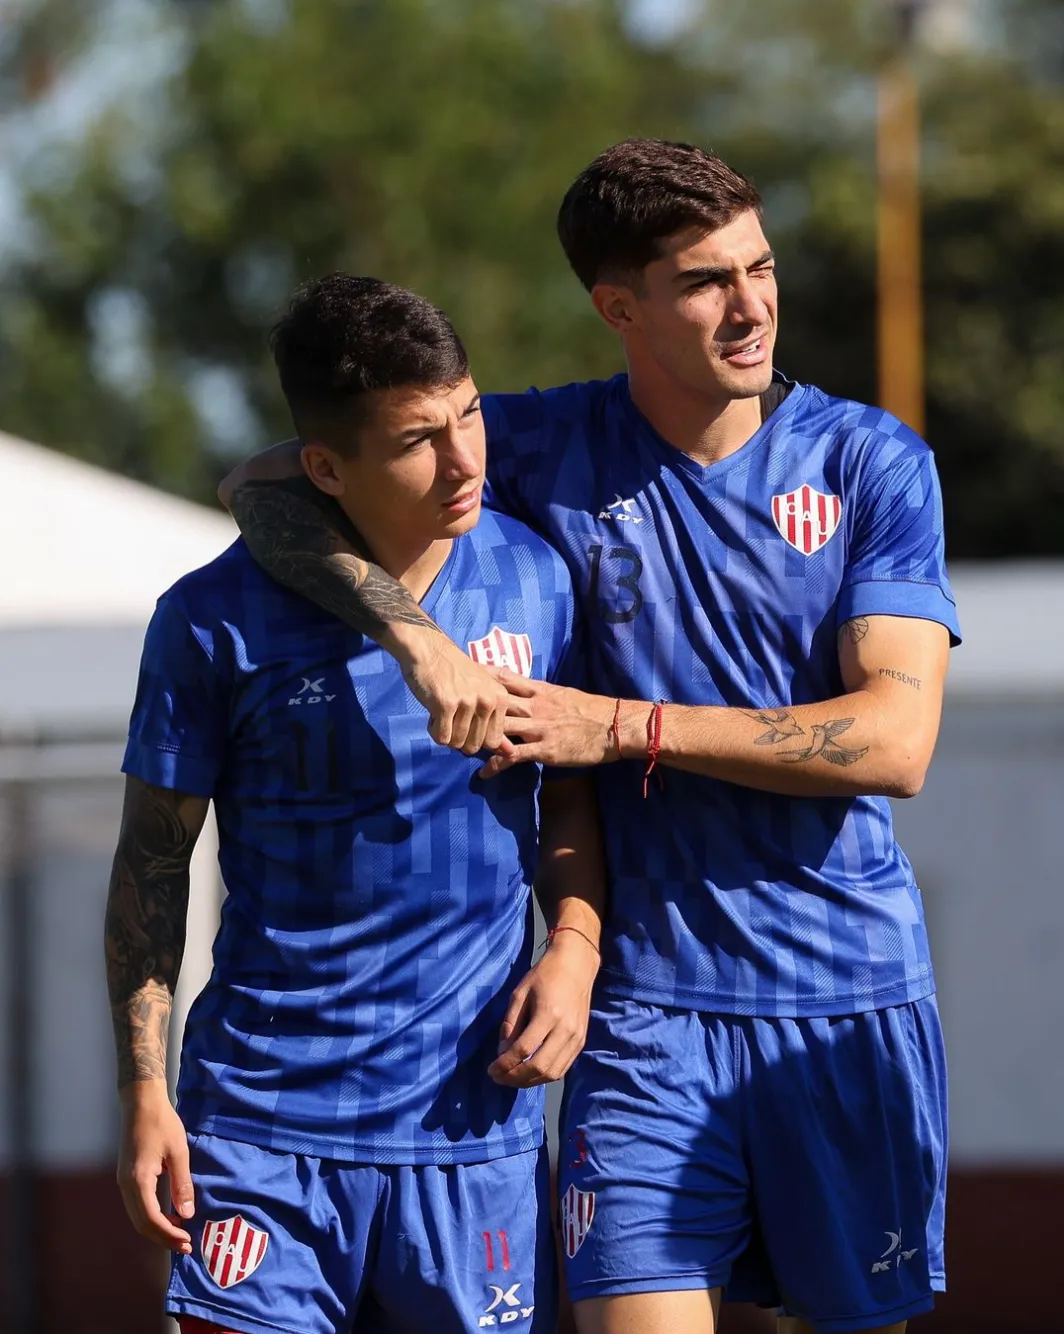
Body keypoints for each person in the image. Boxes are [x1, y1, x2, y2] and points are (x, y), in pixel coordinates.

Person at [219, 140, 960, 1334]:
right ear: (619, 308)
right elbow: (265, 485)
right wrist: (416, 639)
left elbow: (895, 741)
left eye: (760, 267)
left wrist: (615, 726)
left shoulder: (871, 461)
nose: (752, 305)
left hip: (846, 991)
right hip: (644, 1013)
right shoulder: (537, 445)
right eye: (705, 280)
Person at [104, 273, 604, 1334]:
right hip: (261, 1128)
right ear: (325, 467)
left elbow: (572, 808)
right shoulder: (209, 618)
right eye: (420, 438)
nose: (465, 460)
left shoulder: (540, 579)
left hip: (472, 1131)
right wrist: (144, 1091)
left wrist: (575, 946)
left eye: (470, 413)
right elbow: (151, 863)